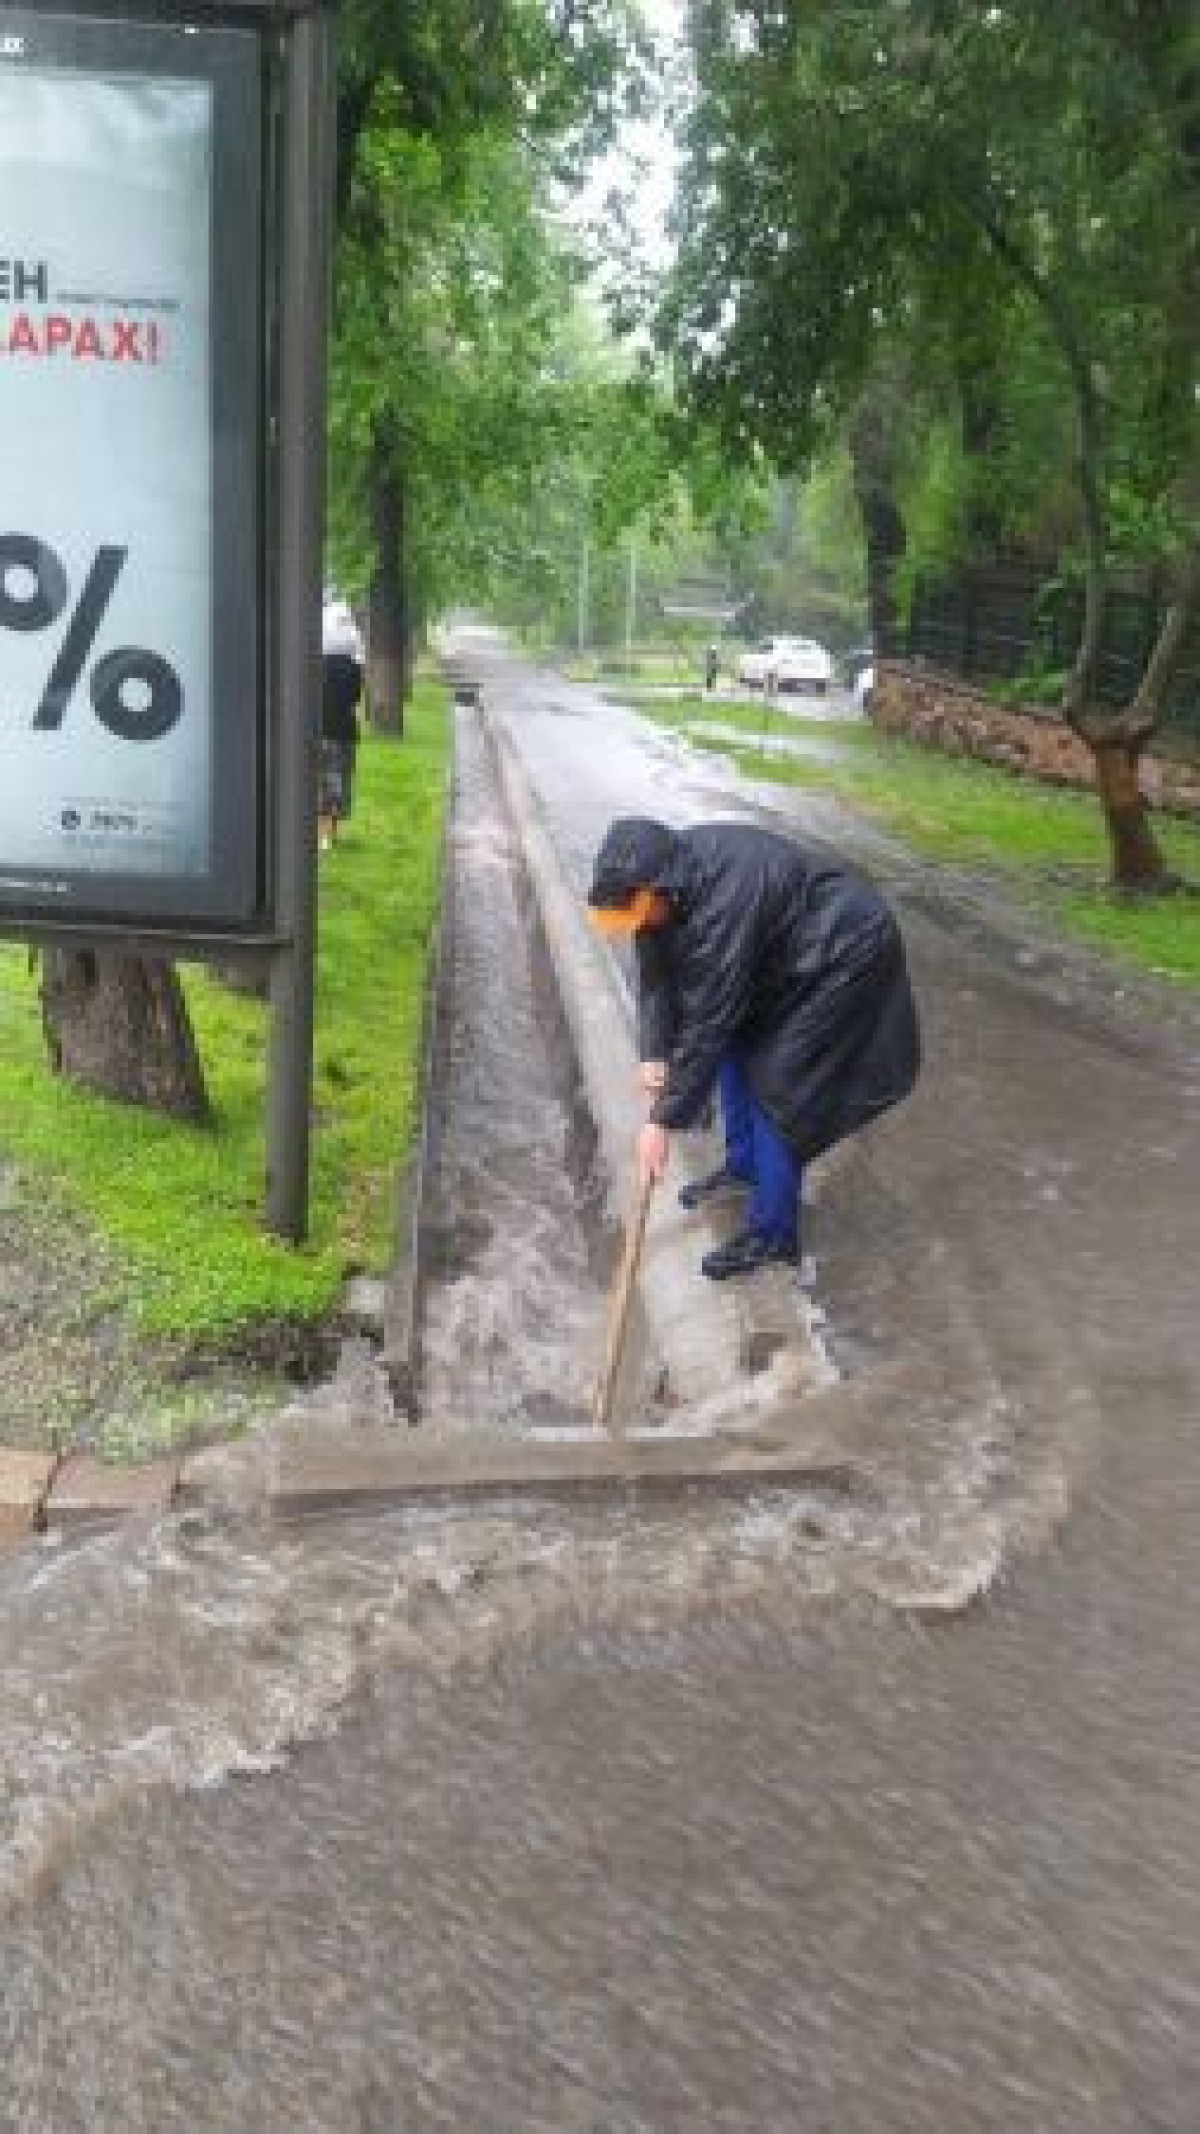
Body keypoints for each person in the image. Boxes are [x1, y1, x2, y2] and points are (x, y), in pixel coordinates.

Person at [587, 816, 920, 1280]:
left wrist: (661, 1121)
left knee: (779, 1085)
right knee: (734, 1049)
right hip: (782, 953)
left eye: (639, 917)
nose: (636, 927)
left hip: (843, 951)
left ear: (657, 890)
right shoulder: (660, 886)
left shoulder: (724, 902)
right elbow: (658, 982)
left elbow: (707, 1020)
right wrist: (652, 1052)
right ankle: (744, 1166)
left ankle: (773, 1234)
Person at [319, 600, 365, 850]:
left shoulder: (314, 662)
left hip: (319, 729)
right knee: (339, 780)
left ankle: (322, 833)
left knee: (320, 781)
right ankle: (331, 833)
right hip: (344, 730)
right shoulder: (353, 665)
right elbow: (355, 698)